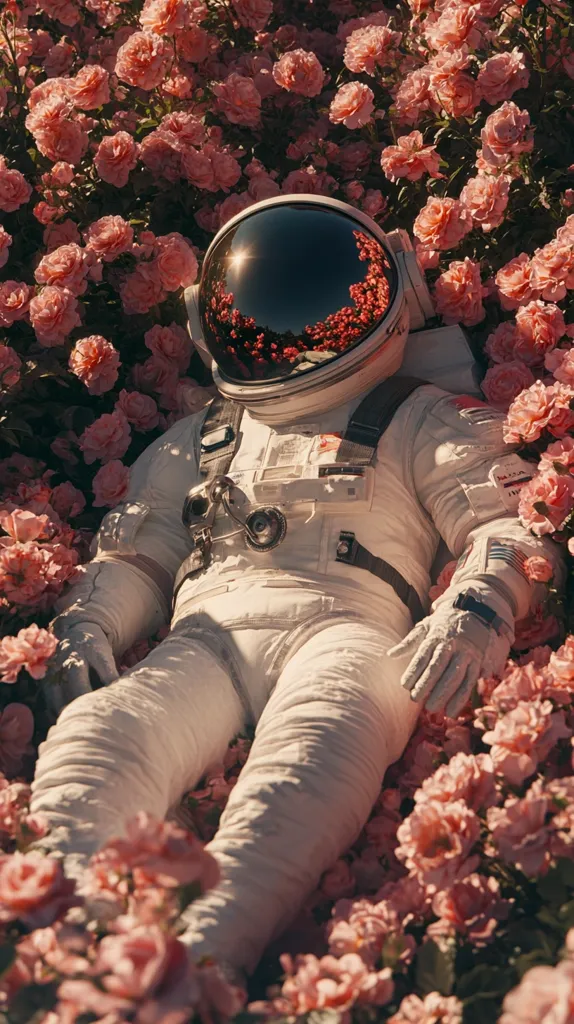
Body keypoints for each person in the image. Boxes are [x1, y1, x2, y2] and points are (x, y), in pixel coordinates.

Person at [31, 195, 562, 979]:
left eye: (318, 305)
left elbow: (506, 524)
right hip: (207, 635)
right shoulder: (206, 436)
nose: (292, 339)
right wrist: (92, 623)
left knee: (308, 764)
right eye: (267, 314)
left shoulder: (418, 416)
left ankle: (200, 969)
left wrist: (476, 606)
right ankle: (54, 957)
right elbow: (140, 550)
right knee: (101, 737)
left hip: (349, 632)